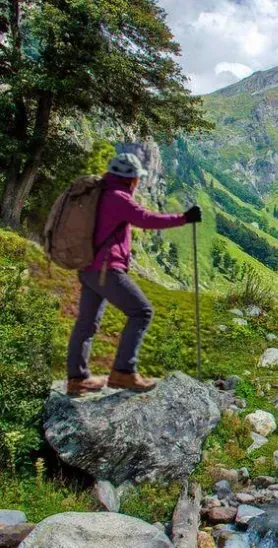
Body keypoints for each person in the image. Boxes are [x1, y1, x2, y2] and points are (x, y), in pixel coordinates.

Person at [65, 153, 202, 396]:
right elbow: (146, 219)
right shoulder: (119, 198)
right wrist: (184, 218)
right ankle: (124, 372)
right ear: (131, 179)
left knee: (86, 323)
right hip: (107, 269)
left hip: (88, 268)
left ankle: (77, 378)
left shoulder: (100, 194)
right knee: (142, 311)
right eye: (138, 178)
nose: (139, 182)